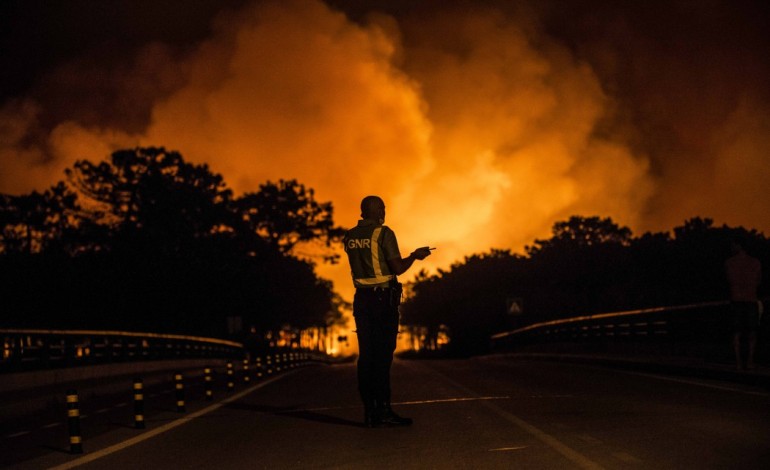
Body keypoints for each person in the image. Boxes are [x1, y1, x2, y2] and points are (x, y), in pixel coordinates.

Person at [343, 195, 432, 427]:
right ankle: (383, 410)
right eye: (383, 207)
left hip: (361, 300)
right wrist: (414, 256)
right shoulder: (383, 233)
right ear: (379, 210)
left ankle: (370, 411)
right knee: (382, 357)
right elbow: (398, 268)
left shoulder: (349, 236)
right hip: (383, 301)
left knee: (366, 357)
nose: (385, 211)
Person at [724, 240, 762, 370]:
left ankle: (738, 362)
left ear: (739, 246)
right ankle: (750, 361)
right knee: (752, 332)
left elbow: (729, 280)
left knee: (737, 332)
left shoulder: (729, 263)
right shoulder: (755, 262)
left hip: (736, 300)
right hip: (751, 299)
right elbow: (758, 281)